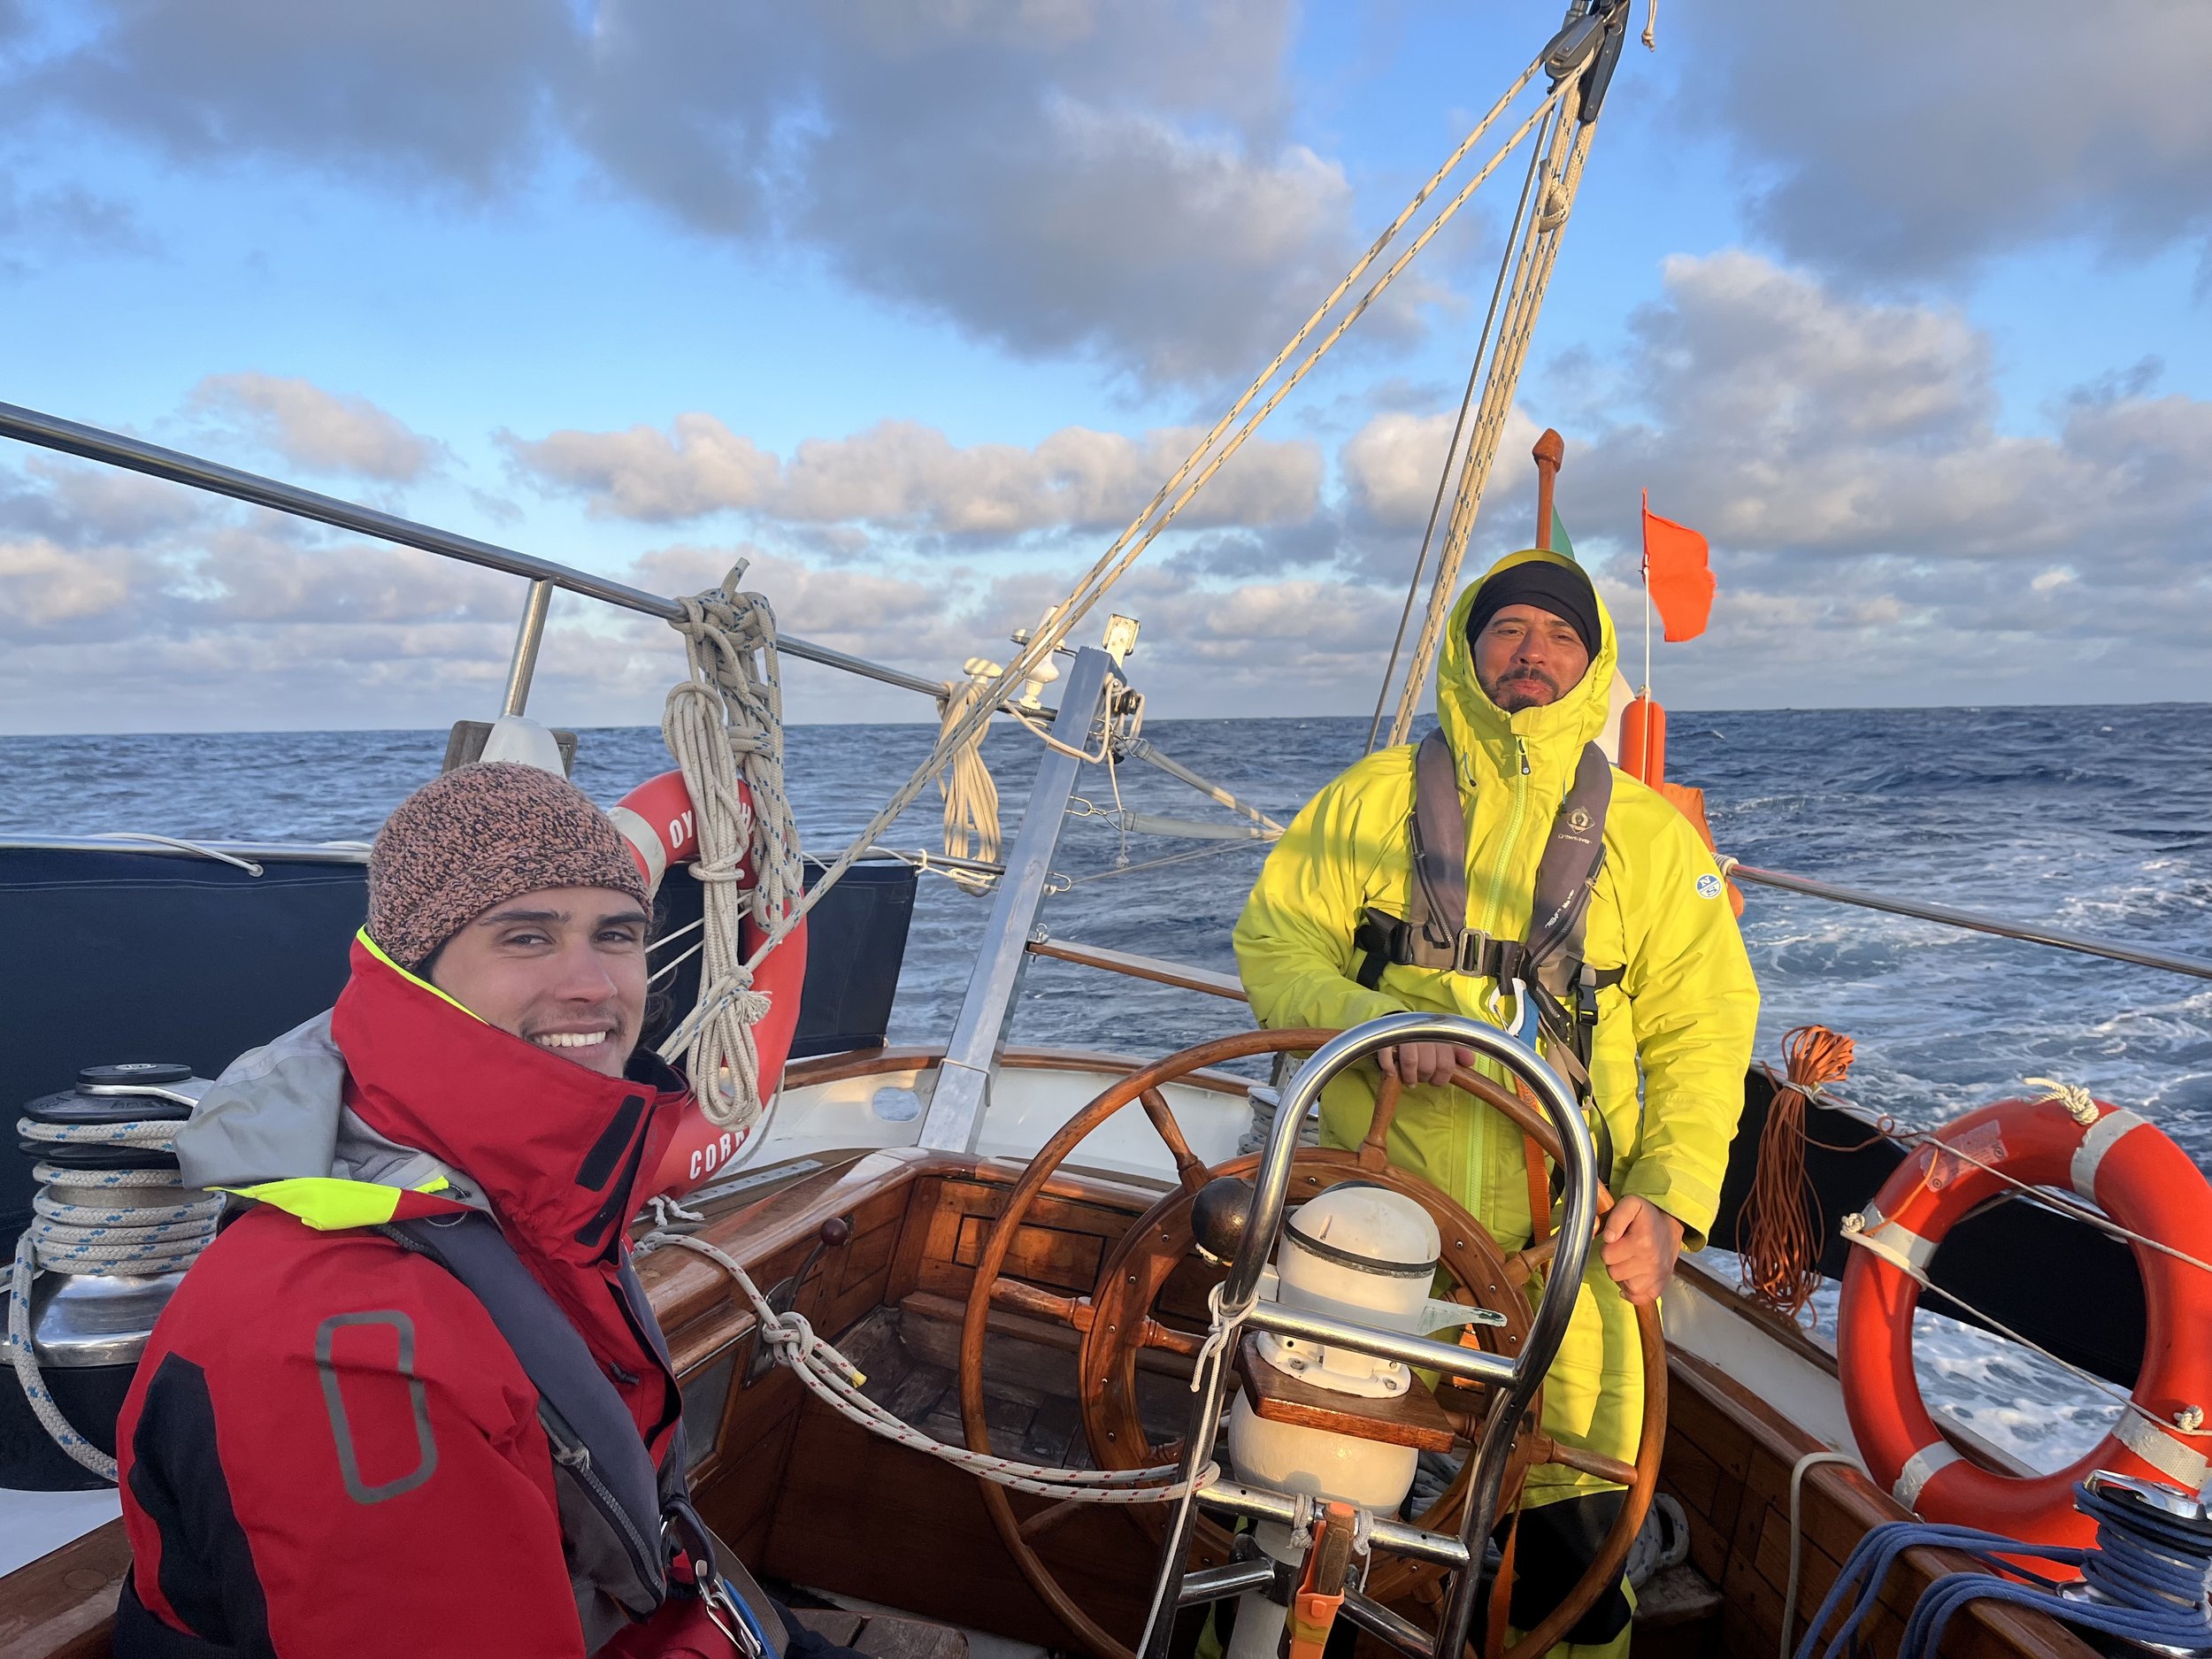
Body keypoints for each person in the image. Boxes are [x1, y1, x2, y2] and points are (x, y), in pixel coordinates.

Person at [114, 761, 834, 1659]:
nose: (593, 985)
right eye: (526, 937)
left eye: (615, 934)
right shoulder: (344, 1344)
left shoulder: (526, 1197)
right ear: (415, 972)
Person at [1233, 549, 1758, 1656]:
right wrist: (1376, 1030)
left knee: (1572, 1544)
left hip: (1569, 1238)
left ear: (1593, 662)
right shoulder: (1365, 801)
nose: (1534, 653)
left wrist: (1665, 1204)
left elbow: (1704, 1032)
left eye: (1560, 636)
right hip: (1374, 1225)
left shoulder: (1656, 843)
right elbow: (1276, 941)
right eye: (1509, 629)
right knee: (1300, 1513)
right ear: (1471, 654)